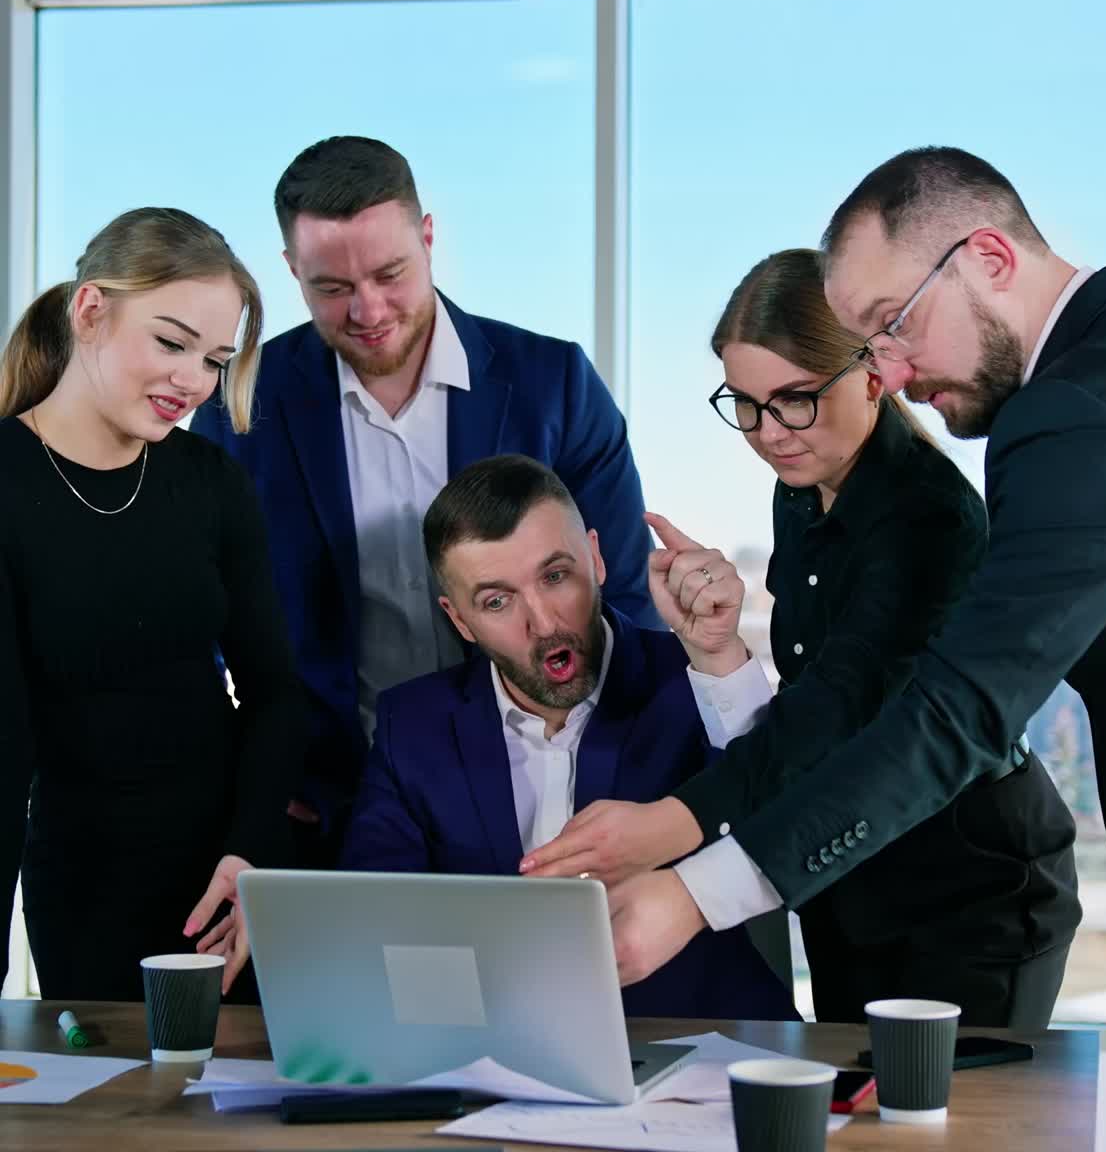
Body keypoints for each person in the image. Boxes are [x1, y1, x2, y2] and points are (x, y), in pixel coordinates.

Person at [534, 147, 1106, 1149]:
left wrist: (694, 883)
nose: (883, 369)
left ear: (985, 258)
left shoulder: (1072, 420)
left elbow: (952, 711)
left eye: (889, 324)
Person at [522, 248, 1080, 1026]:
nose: (767, 433)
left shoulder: (928, 519)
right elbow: (806, 716)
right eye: (744, 404)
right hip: (847, 885)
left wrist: (672, 826)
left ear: (875, 375)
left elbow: (840, 714)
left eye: (793, 400)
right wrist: (716, 646)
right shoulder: (807, 486)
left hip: (969, 896)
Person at [191, 136, 659, 867]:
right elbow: (203, 614)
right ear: (292, 271)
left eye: (390, 273)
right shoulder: (240, 405)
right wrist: (251, 772)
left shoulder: (554, 383)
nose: (368, 310)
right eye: (331, 287)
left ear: (429, 237)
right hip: (320, 802)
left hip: (541, 802)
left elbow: (623, 592)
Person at [340, 454, 797, 1021]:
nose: (544, 622)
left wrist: (721, 656)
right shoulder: (413, 723)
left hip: (701, 1051)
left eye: (556, 576)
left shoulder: (697, 676)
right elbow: (377, 913)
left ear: (598, 560)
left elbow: (786, 808)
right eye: (496, 601)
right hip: (498, 1058)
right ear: (459, 620)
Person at [0, 207, 301, 1000]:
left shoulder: (211, 482)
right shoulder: (4, 482)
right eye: (171, 344)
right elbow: (2, 750)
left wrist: (249, 860)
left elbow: (275, 694)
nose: (194, 382)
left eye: (215, 359)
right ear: (90, 310)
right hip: (84, 891)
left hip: (230, 885)